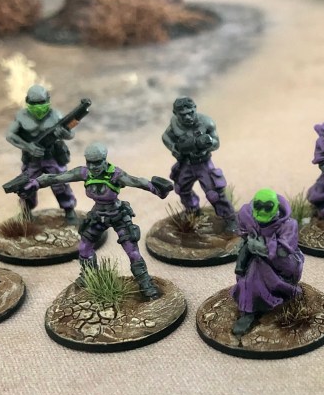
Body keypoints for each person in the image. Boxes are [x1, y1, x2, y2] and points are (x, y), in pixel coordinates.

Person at [29, 143, 172, 298]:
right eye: (90, 162)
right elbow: (58, 177)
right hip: (97, 215)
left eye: (97, 162)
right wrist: (35, 183)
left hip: (118, 215)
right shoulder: (84, 173)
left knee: (132, 251)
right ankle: (88, 275)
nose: (93, 167)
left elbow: (137, 181)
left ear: (104, 160)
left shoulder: (116, 175)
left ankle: (145, 283)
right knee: (84, 247)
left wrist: (156, 188)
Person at [230, 189, 305, 336]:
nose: (262, 212)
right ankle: (248, 309)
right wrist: (246, 244)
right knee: (251, 272)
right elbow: (244, 234)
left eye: (268, 207)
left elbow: (284, 251)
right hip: (256, 257)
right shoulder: (247, 216)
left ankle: (281, 294)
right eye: (259, 206)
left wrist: (264, 248)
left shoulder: (288, 225)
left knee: (259, 270)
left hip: (284, 262)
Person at [4, 84, 78, 223]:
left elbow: (71, 133)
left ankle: (69, 209)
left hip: (52, 157)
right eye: (34, 103)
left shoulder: (56, 115)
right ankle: (26, 211)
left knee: (61, 182)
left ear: (48, 100)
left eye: (41, 102)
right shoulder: (21, 116)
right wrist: (28, 147)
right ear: (27, 101)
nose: (38, 106)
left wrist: (64, 133)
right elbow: (10, 135)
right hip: (32, 159)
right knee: (27, 185)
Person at [162, 97, 237, 233]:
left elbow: (216, 143)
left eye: (190, 113)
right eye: (183, 115)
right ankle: (193, 211)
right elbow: (165, 137)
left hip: (203, 163)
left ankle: (230, 218)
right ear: (176, 113)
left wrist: (205, 143)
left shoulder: (206, 122)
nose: (187, 117)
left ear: (195, 109)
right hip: (186, 163)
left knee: (214, 193)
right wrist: (174, 148)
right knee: (181, 188)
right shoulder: (175, 124)